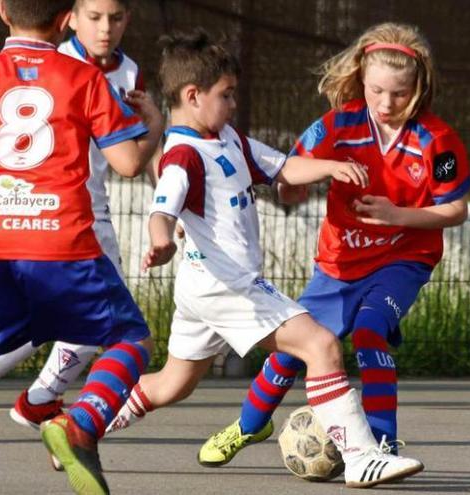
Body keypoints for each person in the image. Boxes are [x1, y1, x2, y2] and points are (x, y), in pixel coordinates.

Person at [106, 29, 424, 488]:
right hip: (228, 286)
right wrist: (161, 240)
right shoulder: (183, 155)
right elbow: (163, 207)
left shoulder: (226, 138)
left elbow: (282, 168)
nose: (233, 103)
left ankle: (84, 427)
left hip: (202, 289)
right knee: (321, 346)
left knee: (173, 384)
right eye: (227, 95)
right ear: (193, 96)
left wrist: (329, 168)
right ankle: (360, 458)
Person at [0, 1, 162, 494]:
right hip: (63, 246)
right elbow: (128, 163)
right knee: (131, 341)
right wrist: (151, 124)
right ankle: (79, 422)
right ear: (67, 17)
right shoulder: (85, 78)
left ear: (2, 10)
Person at [195, 21, 470, 464]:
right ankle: (249, 425)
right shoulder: (334, 127)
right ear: (361, 79)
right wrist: (296, 188)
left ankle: (380, 446)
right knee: (292, 351)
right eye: (376, 90)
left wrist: (396, 215)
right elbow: (291, 178)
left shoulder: (438, 143)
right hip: (340, 264)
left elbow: (454, 208)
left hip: (404, 259)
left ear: (419, 87)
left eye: (399, 94)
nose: (386, 103)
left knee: (368, 332)